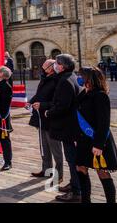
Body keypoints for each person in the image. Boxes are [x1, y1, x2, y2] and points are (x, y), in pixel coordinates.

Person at [75, 67, 117, 203]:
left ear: (89, 78)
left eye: (81, 76)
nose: (79, 78)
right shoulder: (83, 93)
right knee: (80, 167)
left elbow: (104, 122)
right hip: (83, 139)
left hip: (98, 140)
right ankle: (85, 199)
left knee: (101, 171)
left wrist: (99, 144)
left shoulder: (100, 95)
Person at [45, 54, 82, 202]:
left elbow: (62, 106)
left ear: (62, 66)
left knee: (72, 159)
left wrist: (49, 111)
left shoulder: (66, 81)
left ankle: (76, 191)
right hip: (69, 126)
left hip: (68, 127)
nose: (55, 65)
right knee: (71, 159)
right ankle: (74, 184)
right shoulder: (69, 77)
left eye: (57, 63)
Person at [28, 59, 63, 183]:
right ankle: (46, 170)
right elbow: (39, 94)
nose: (42, 69)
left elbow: (56, 102)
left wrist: (42, 105)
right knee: (44, 146)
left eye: (44, 67)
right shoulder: (45, 78)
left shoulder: (57, 80)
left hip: (51, 118)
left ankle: (58, 175)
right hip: (40, 118)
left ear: (51, 67)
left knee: (55, 148)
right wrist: (31, 101)